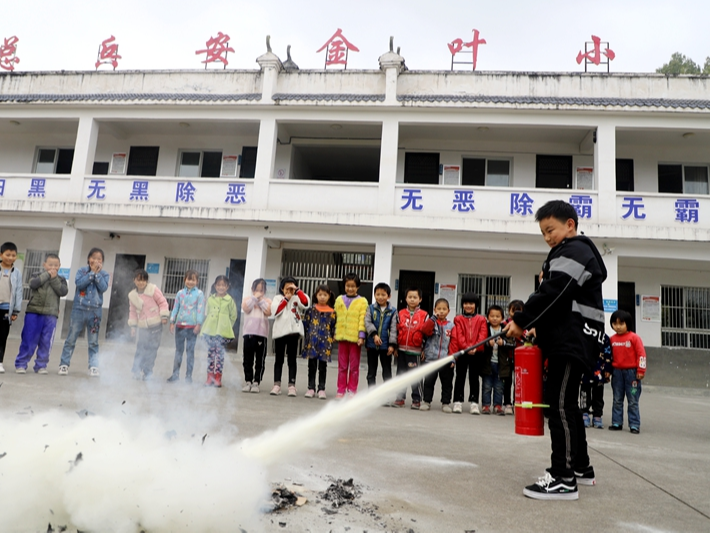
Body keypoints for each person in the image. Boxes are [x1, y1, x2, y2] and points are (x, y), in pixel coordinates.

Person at [505, 200, 606, 501]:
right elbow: (561, 301)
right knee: (569, 405)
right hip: (571, 337)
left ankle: (562, 478)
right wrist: (536, 326)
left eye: (551, 230)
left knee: (559, 404)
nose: (547, 237)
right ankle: (580, 468)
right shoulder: (569, 252)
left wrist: (521, 319)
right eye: (543, 233)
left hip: (571, 340)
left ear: (570, 225)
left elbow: (555, 290)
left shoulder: (575, 250)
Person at [58, 248, 109, 377]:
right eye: (93, 258)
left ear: (102, 262)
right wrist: (91, 273)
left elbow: (103, 288)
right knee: (71, 337)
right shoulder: (81, 271)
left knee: (93, 341)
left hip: (95, 312)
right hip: (79, 309)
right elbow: (79, 284)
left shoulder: (104, 274)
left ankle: (93, 366)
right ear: (88, 259)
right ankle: (64, 364)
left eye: (99, 259)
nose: (96, 261)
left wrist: (96, 275)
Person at [14, 253, 67, 374]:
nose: (53, 267)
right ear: (44, 265)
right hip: (34, 312)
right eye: (50, 265)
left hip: (51, 314)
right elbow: (33, 284)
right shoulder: (36, 275)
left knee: (46, 341)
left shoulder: (61, 280)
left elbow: (63, 291)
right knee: (28, 339)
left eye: (56, 265)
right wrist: (47, 275)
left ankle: (41, 365)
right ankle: (21, 364)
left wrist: (53, 279)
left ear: (59, 266)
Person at [449, 293, 488, 415]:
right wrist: (466, 348)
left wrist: (476, 347)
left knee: (474, 378)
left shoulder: (481, 319)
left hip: (477, 353)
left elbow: (483, 335)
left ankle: (474, 403)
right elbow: (458, 335)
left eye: (471, 303)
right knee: (460, 377)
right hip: (462, 353)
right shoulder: (458, 319)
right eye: (466, 303)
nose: (468, 306)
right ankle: (457, 401)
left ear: (476, 305)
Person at [270, 276, 309, 396]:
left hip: (293, 333)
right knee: (279, 359)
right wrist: (286, 299)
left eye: (292, 287)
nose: (289, 289)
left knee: (292, 360)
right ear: (282, 288)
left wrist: (297, 291)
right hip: (280, 333)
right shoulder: (277, 298)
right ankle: (277, 385)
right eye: (287, 287)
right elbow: (275, 311)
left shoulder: (297, 298)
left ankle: (292, 385)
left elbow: (306, 303)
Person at [608, 310, 646, 434]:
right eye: (615, 323)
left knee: (633, 399)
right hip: (617, 373)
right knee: (617, 399)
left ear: (628, 323)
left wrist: (641, 370)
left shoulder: (634, 338)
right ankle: (616, 422)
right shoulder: (612, 339)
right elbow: (608, 357)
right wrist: (607, 371)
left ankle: (634, 424)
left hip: (632, 374)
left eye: (621, 323)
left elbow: (641, 354)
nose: (617, 327)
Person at [128, 269, 170, 380]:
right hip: (142, 327)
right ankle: (136, 371)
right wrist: (133, 326)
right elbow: (132, 312)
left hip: (156, 324)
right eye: (139, 280)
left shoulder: (153, 289)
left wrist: (164, 316)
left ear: (147, 281)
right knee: (141, 348)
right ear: (134, 280)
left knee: (152, 349)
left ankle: (147, 372)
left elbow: (163, 302)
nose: (141, 282)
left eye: (143, 280)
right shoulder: (132, 295)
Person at [334, 272, 368, 398]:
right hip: (342, 336)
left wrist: (361, 336)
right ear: (344, 286)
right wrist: (335, 333)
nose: (350, 288)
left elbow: (362, 319)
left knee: (354, 367)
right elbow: (335, 317)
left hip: (355, 339)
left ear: (357, 287)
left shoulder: (362, 301)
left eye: (353, 286)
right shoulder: (339, 300)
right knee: (342, 366)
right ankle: (341, 389)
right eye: (348, 286)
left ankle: (352, 390)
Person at [393, 287, 428, 409]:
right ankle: (400, 397)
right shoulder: (400, 313)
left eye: (415, 297)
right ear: (405, 298)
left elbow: (428, 335)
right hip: (401, 350)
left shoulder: (424, 315)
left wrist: (424, 350)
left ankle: (416, 399)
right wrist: (395, 347)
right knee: (401, 375)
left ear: (420, 299)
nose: (412, 299)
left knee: (415, 376)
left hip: (416, 352)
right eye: (410, 297)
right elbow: (396, 331)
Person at [168, 269, 205, 384]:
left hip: (192, 327)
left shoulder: (199, 294)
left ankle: (188, 376)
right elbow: (175, 308)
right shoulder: (180, 293)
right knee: (178, 351)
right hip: (179, 326)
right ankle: (175, 374)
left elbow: (200, 309)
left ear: (197, 281)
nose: (190, 282)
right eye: (188, 279)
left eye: (193, 280)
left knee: (190, 352)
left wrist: (198, 324)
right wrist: (172, 322)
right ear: (185, 280)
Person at [201, 275, 238, 388]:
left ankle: (218, 378)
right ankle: (209, 377)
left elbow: (233, 316)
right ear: (215, 286)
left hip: (222, 333)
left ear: (227, 287)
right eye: (219, 285)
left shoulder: (229, 300)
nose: (221, 287)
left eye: (223, 285)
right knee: (211, 355)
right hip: (210, 331)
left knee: (220, 356)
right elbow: (206, 313)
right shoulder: (211, 299)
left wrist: (226, 326)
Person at [420, 298, 454, 413]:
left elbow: (454, 343)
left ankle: (445, 403)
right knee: (429, 381)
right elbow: (425, 330)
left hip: (446, 360)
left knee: (447, 383)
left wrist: (452, 358)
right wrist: (433, 319)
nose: (441, 311)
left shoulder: (451, 325)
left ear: (448, 311)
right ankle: (426, 401)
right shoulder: (431, 322)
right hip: (431, 359)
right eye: (439, 309)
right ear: (434, 310)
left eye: (444, 309)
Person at [302, 284, 336, 399]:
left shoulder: (332, 312)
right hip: (312, 342)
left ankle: (321, 389)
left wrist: (333, 337)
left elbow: (333, 327)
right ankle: (311, 388)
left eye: (325, 295)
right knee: (311, 366)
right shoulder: (311, 310)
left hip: (325, 344)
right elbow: (306, 324)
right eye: (320, 294)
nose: (322, 297)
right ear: (316, 295)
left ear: (329, 296)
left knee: (323, 367)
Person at [481, 305, 514, 415]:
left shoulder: (505, 329)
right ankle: (486, 405)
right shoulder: (485, 328)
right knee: (487, 385)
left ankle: (498, 405)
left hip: (501, 364)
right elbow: (480, 341)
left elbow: (512, 343)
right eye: (492, 316)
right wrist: (487, 343)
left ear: (502, 318)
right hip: (487, 363)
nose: (495, 318)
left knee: (499, 386)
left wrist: (503, 343)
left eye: (497, 316)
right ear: (487, 317)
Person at [241, 278, 272, 393]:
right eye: (256, 289)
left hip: (261, 334)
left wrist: (261, 301)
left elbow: (268, 312)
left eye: (261, 290)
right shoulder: (248, 299)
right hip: (248, 333)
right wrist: (254, 298)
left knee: (260, 360)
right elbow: (246, 308)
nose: (259, 292)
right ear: (252, 290)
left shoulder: (267, 301)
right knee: (247, 359)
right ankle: (248, 381)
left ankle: (256, 382)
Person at [364, 282, 397, 387]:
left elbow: (393, 328)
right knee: (371, 372)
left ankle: (386, 396)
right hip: (371, 345)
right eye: (377, 294)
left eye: (383, 295)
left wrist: (392, 345)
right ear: (374, 295)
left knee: (387, 372)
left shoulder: (393, 311)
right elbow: (367, 322)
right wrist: (374, 335)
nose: (380, 297)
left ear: (389, 296)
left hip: (386, 347)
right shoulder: (370, 308)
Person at [580, 333, 612, 429]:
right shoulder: (582, 334)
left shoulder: (604, 337)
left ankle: (597, 415)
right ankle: (584, 413)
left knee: (598, 395)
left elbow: (608, 354)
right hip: (584, 371)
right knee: (584, 394)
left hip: (599, 372)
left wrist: (608, 369)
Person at [0, 242, 23, 374]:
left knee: (2, 337)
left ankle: (0, 362)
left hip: (6, 309)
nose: (10, 257)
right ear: (1, 255)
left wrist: (16, 310)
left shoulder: (17, 273)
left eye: (13, 255)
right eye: (7, 255)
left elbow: (19, 292)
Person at [502, 299, 525, 414]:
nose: (515, 314)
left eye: (518, 311)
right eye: (513, 311)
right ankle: (507, 403)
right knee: (507, 381)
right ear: (509, 311)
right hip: (507, 357)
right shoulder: (505, 323)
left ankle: (518, 402)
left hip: (521, 358)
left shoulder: (526, 324)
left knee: (519, 382)